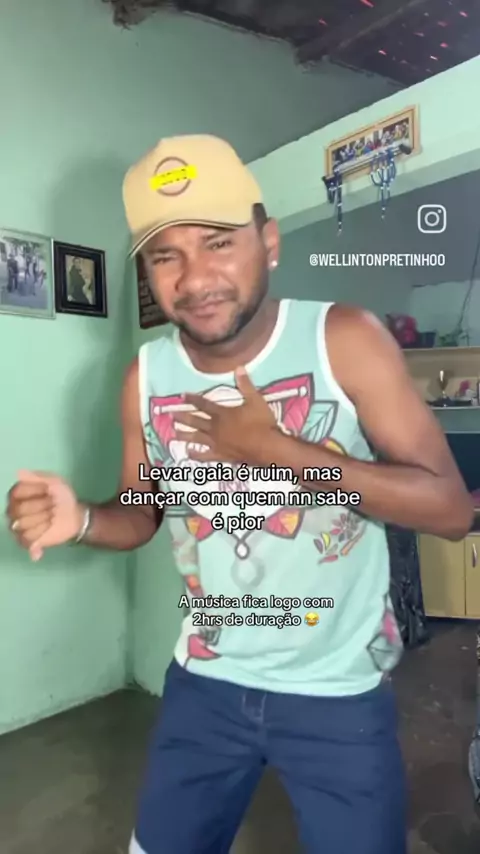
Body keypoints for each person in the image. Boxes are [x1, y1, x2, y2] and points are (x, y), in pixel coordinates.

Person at [6, 134, 474, 854]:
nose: (195, 278)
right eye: (166, 256)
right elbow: (141, 511)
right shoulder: (146, 376)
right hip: (205, 684)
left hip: (337, 694)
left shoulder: (342, 339)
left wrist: (281, 452)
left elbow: (449, 510)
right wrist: (83, 519)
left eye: (219, 242)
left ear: (269, 242)